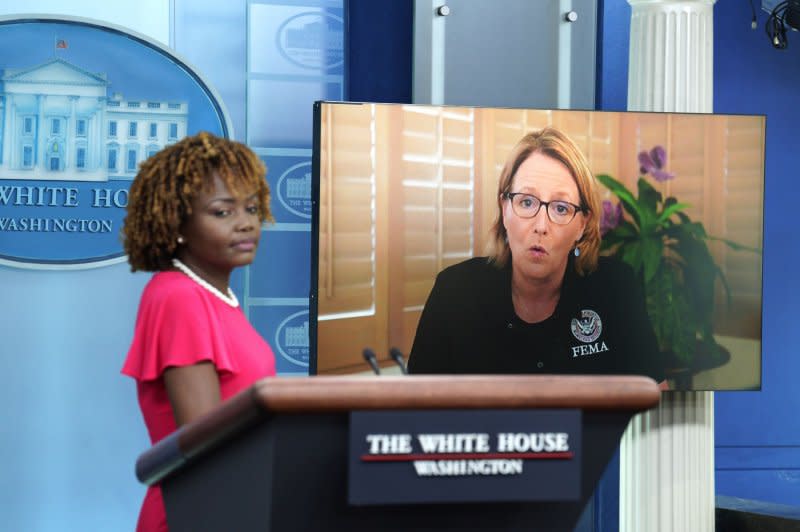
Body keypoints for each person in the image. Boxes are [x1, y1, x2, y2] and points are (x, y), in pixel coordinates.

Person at [407, 128, 665, 385]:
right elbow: (414, 415)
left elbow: (657, 400)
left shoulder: (616, 287)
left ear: (582, 225)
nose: (541, 225)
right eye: (527, 202)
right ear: (505, 208)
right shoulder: (453, 291)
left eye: (561, 208)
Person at [120, 131, 277, 532]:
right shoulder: (179, 298)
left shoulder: (216, 297)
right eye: (222, 212)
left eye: (252, 208)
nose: (245, 224)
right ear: (178, 223)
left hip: (233, 505)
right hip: (198, 513)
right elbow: (206, 444)